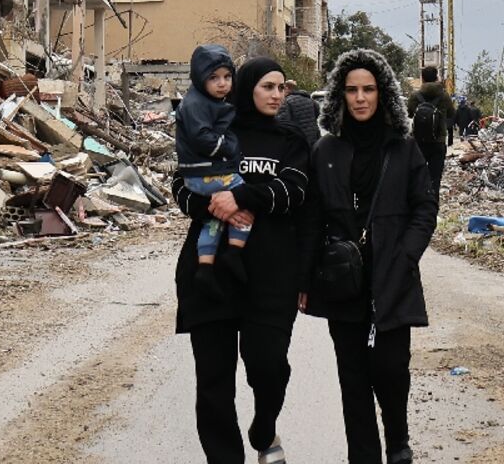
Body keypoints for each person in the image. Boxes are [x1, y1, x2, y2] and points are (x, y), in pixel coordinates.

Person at [302, 48, 439, 464]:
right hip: (343, 282)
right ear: (339, 96)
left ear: (383, 95)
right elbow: (311, 219)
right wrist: (306, 279)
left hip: (393, 278)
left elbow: (424, 207)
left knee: (392, 370)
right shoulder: (325, 152)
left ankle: (398, 442)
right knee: (353, 380)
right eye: (351, 90)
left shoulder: (402, 148)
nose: (360, 98)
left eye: (368, 89)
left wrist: (407, 254)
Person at [172, 58, 310, 464]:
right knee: (213, 382)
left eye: (281, 87)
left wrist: (243, 197)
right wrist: (214, 206)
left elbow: (295, 192)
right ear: (247, 88)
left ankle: (264, 427)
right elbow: (182, 184)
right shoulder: (218, 133)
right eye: (268, 86)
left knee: (269, 368)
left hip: (270, 277)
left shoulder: (291, 140)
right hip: (210, 274)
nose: (276, 95)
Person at [175, 45, 248, 292]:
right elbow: (201, 137)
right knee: (245, 197)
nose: (222, 84)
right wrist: (227, 147)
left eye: (227, 77)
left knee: (213, 222)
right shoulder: (196, 103)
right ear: (200, 78)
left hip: (199, 174)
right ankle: (235, 252)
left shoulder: (207, 100)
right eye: (214, 78)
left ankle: (205, 266)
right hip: (205, 172)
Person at [406, 65, 456, 195]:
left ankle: (416, 207)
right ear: (436, 78)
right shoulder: (444, 96)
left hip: (418, 142)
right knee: (435, 179)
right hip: (438, 142)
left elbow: (409, 114)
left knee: (416, 177)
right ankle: (432, 208)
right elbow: (451, 113)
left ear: (422, 78)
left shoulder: (415, 96)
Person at [276, 78, 322, 147]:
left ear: (287, 88)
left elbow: (283, 122)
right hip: (313, 138)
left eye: (283, 89)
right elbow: (317, 113)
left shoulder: (286, 102)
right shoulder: (309, 100)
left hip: (298, 140)